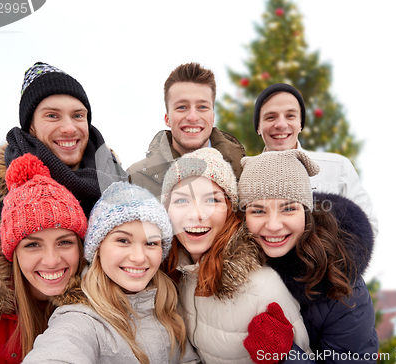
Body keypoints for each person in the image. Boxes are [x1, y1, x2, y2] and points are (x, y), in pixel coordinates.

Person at [161, 148, 310, 364]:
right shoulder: (176, 276)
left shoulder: (263, 287)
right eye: (182, 201)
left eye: (212, 200)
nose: (196, 214)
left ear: (230, 210)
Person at [22, 181, 199, 363]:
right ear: (98, 248)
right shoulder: (81, 319)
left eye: (151, 243)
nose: (139, 257)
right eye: (123, 240)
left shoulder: (168, 305)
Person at [238, 150, 378, 364]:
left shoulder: (344, 289)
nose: (273, 225)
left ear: (306, 212)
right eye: (258, 211)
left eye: (288, 209)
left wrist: (285, 355)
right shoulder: (235, 262)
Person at [0, 62, 126, 235]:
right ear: (31, 126)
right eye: (52, 116)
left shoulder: (125, 190)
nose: (69, 128)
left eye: (78, 115)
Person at [0, 153, 88, 363]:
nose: (51, 260)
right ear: (13, 253)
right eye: (33, 245)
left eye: (64, 242)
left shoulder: (103, 304)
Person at [253, 83, 378, 236]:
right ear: (258, 127)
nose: (280, 124)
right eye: (270, 117)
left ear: (300, 124)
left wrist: (326, 254)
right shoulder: (243, 174)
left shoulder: (337, 168)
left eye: (290, 116)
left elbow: (367, 227)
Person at [127, 62, 246, 198]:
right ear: (167, 119)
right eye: (182, 107)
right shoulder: (135, 179)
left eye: (202, 107)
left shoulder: (243, 170)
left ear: (212, 117)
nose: (192, 117)